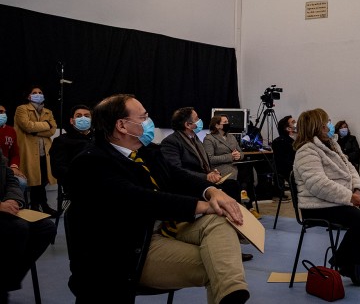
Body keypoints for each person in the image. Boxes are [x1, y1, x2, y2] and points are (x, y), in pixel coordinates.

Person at [66, 94, 250, 304]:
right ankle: (231, 293)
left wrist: (212, 192)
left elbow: (178, 176)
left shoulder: (146, 152)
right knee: (222, 266)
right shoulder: (91, 162)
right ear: (122, 125)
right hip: (127, 249)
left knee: (220, 222)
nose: (149, 122)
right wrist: (203, 206)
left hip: (162, 229)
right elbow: (140, 200)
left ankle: (232, 295)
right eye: (143, 117)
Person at [293, 108, 360, 287]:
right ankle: (344, 263)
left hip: (339, 199)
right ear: (316, 126)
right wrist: (349, 197)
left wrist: (357, 190)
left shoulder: (333, 145)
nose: (330, 125)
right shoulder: (306, 151)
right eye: (327, 122)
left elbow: (350, 169)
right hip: (317, 205)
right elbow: (318, 185)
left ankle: (348, 264)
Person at [160, 107, 251, 261]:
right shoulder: (171, 142)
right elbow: (175, 171)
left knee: (232, 185)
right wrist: (205, 176)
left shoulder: (195, 139)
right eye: (196, 118)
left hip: (203, 181)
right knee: (229, 189)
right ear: (188, 124)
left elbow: (205, 163)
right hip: (188, 185)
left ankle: (234, 235)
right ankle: (232, 237)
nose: (200, 120)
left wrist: (213, 172)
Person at [0, 150, 56, 304]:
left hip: (5, 208)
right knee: (18, 229)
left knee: (46, 228)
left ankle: (6, 281)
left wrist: (13, 199)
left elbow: (11, 179)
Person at [13, 86, 58, 215]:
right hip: (29, 151)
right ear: (29, 96)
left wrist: (35, 131)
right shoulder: (22, 109)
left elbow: (52, 130)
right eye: (34, 93)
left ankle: (41, 205)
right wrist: (46, 125)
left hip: (45, 151)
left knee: (43, 179)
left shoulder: (48, 111)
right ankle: (36, 207)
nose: (38, 94)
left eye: (40, 93)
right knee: (33, 180)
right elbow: (27, 126)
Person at [203, 115, 257, 213]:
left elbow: (241, 152)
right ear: (217, 125)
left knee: (248, 167)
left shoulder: (231, 137)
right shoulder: (209, 139)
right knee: (241, 178)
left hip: (235, 166)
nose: (228, 124)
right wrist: (230, 157)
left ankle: (246, 200)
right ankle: (246, 203)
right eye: (225, 122)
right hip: (220, 169)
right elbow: (209, 159)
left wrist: (238, 156)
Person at [50, 104, 94, 192]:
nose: (83, 118)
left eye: (86, 116)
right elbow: (58, 169)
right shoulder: (62, 141)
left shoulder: (100, 139)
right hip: (78, 183)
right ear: (71, 121)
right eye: (78, 116)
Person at [0, 104, 26, 193]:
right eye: (0, 112)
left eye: (4, 112)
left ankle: (14, 204)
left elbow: (15, 154)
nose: (3, 114)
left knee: (21, 182)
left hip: (7, 170)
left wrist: (14, 167)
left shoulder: (11, 130)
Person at [271, 115, 296, 191]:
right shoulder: (281, 142)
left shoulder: (297, 140)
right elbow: (286, 163)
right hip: (292, 171)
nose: (297, 123)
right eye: (293, 122)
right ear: (288, 128)